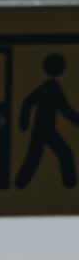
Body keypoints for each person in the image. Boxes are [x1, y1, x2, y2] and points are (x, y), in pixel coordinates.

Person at [15, 52, 79, 189]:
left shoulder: (51, 86)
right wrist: (23, 123)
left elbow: (64, 110)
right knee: (64, 154)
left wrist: (24, 123)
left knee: (35, 157)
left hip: (45, 129)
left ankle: (20, 183)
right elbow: (65, 110)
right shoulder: (51, 87)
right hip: (44, 129)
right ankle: (70, 184)